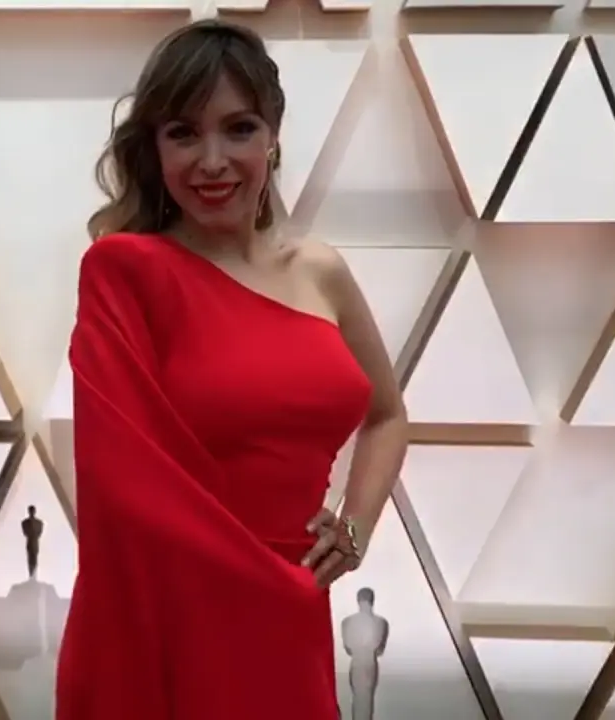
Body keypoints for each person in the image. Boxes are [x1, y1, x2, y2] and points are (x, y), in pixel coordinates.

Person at [55, 19, 409, 720]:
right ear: (154, 149)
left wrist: (355, 529)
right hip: (178, 622)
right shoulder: (124, 270)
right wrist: (270, 585)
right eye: (183, 133)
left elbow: (388, 414)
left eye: (239, 128)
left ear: (272, 136)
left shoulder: (321, 271)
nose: (212, 161)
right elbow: (121, 488)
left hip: (295, 612)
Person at [341, 588, 390, 720]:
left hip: (356, 662)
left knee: (357, 699)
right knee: (367, 700)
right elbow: (380, 650)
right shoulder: (382, 622)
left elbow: (348, 648)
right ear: (372, 601)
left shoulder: (346, 622)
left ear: (358, 600)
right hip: (370, 662)